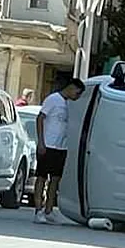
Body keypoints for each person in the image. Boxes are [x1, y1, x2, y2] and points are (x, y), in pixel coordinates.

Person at [33, 79, 85, 224]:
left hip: (61, 146)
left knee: (55, 179)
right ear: (71, 87)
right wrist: (41, 142)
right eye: (77, 93)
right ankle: (38, 210)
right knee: (42, 177)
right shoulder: (53, 99)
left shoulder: (68, 104)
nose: (77, 96)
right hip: (48, 144)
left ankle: (49, 210)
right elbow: (40, 118)